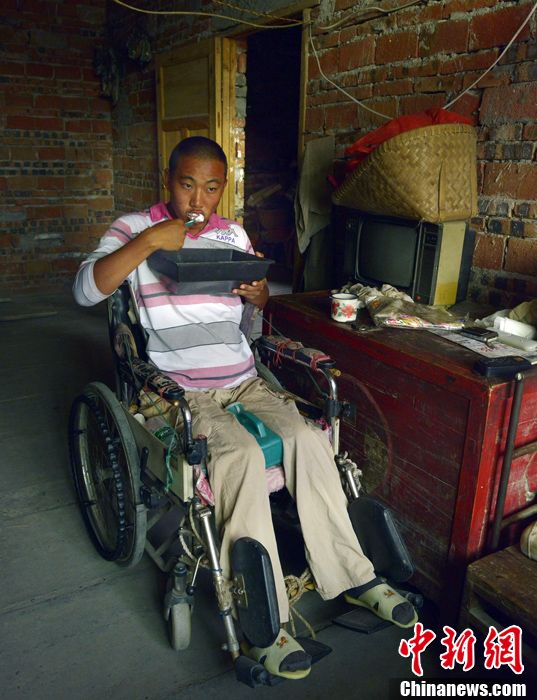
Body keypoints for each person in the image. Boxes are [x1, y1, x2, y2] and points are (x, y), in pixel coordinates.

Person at [73, 136, 417, 680]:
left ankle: (355, 576)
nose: (198, 201)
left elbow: (247, 322)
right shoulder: (133, 228)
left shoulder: (232, 235)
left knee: (308, 441)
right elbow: (84, 292)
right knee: (240, 458)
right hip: (181, 389)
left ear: (222, 189)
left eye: (211, 188)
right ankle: (265, 622)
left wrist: (258, 299)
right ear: (168, 180)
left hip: (244, 378)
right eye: (187, 185)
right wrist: (149, 242)